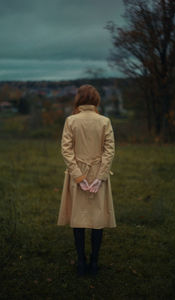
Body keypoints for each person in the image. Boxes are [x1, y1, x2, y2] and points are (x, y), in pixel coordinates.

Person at [57, 84, 116, 276]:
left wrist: (79, 178)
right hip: (98, 173)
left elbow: (66, 151)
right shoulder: (105, 121)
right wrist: (100, 177)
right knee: (97, 219)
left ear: (79, 100)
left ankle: (82, 262)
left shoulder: (71, 121)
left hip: (78, 175)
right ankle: (94, 263)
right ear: (96, 100)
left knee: (79, 219)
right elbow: (110, 151)